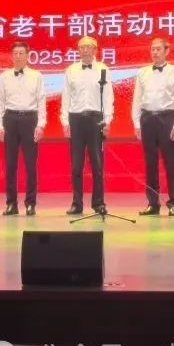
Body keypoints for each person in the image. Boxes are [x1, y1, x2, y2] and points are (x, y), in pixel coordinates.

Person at [131, 38, 174, 217]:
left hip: (167, 118)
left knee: (171, 163)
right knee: (150, 163)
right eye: (152, 49)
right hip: (147, 119)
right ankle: (152, 203)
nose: (155, 52)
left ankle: (173, 202)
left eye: (158, 49)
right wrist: (136, 123)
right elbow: (137, 100)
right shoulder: (142, 73)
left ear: (166, 51)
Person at [60, 36, 114, 215]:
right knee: (76, 165)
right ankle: (77, 203)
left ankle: (98, 203)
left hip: (95, 119)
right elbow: (66, 96)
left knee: (97, 164)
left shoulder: (103, 69)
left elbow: (108, 97)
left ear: (95, 50)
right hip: (76, 119)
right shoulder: (71, 70)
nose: (84, 50)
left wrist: (107, 120)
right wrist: (65, 121)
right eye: (81, 47)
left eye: (88, 47)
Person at [0, 41, 46, 216]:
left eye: (21, 53)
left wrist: (41, 124)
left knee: (31, 164)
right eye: (15, 53)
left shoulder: (37, 76)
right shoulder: (4, 77)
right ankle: (11, 203)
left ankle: (31, 203)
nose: (18, 56)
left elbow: (41, 100)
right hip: (10, 119)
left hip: (30, 119)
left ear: (27, 55)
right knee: (10, 164)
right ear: (11, 56)